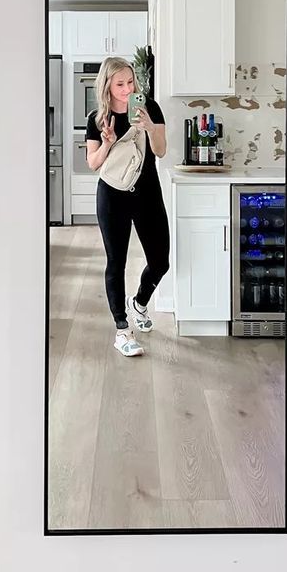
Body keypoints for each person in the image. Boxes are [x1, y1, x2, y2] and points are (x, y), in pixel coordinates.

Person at [86, 56, 170, 357]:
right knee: (116, 262)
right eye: (120, 84)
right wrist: (107, 142)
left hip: (147, 191)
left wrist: (149, 126)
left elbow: (160, 151)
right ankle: (122, 330)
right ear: (107, 85)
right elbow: (94, 164)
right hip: (112, 196)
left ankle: (140, 303)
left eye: (130, 82)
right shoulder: (98, 118)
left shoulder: (150, 107)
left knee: (161, 260)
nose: (127, 89)